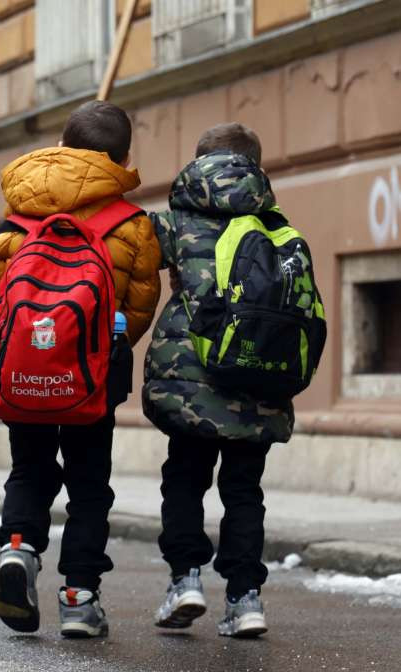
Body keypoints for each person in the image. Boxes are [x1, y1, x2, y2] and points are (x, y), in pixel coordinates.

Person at [0, 100, 161, 638]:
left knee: (29, 470)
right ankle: (79, 598)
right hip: (92, 383)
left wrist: (31, 344)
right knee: (89, 487)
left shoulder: (21, 210)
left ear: (61, 145)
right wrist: (97, 350)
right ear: (122, 157)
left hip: (24, 375)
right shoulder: (132, 225)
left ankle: (18, 548)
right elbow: (141, 304)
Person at [143, 123, 293, 638]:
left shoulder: (173, 224)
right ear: (257, 167)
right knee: (244, 489)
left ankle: (185, 580)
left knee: (185, 478)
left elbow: (134, 272)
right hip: (259, 380)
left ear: (199, 163)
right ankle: (245, 598)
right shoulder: (275, 226)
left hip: (191, 381)